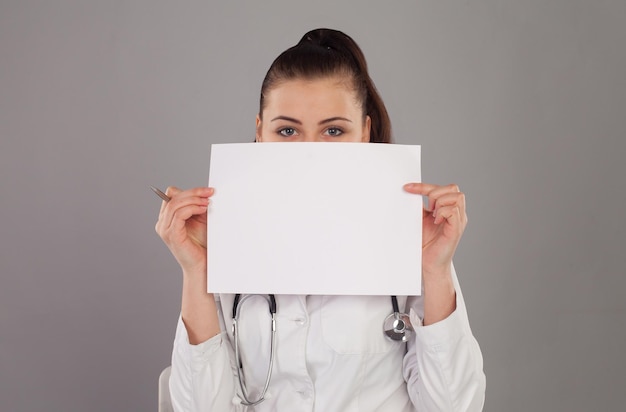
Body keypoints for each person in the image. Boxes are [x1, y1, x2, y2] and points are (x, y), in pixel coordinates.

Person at [156, 28, 486, 411]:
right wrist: (197, 270)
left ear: (365, 132)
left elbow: (455, 407)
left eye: (333, 130)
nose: (309, 152)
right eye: (287, 130)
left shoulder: (409, 240)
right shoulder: (227, 242)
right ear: (260, 133)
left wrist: (435, 269)